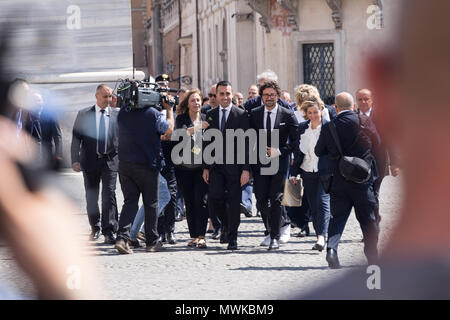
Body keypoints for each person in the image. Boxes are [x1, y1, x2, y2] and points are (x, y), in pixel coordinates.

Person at [315, 92, 380, 268]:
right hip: (362, 179)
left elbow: (318, 151)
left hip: (339, 181)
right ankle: (372, 256)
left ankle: (331, 250)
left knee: (338, 218)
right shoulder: (364, 122)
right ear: (353, 106)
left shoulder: (330, 126)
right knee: (368, 218)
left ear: (336, 108)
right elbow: (377, 143)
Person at [114, 84, 175, 254]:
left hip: (125, 164)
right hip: (148, 164)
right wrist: (169, 110)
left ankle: (122, 238)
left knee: (130, 202)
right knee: (151, 203)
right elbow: (168, 130)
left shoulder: (123, 112)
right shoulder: (153, 114)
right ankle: (152, 241)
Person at [249, 80, 299, 250]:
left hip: (280, 161)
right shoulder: (254, 114)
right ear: (261, 97)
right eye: (266, 95)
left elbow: (296, 141)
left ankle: (275, 237)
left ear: (278, 96)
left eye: (272, 95)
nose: (269, 98)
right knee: (261, 199)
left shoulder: (287, 114)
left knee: (276, 198)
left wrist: (280, 151)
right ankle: (271, 229)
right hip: (260, 162)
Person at [202, 80, 250, 250]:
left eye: (228, 93)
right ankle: (227, 225)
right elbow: (206, 142)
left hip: (235, 167)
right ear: (217, 96)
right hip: (215, 166)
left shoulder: (241, 114)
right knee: (215, 197)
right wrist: (206, 167)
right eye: (221, 94)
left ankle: (233, 237)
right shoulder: (210, 114)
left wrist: (246, 169)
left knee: (234, 201)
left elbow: (247, 144)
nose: (225, 97)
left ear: (232, 94)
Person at [71, 84, 119, 245]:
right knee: (91, 197)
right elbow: (76, 138)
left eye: (110, 96)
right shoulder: (84, 114)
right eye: (105, 96)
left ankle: (109, 230)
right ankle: (95, 227)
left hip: (110, 161)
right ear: (96, 96)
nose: (108, 99)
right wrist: (75, 160)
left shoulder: (116, 115)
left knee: (109, 195)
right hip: (90, 161)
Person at [290, 100, 330, 251]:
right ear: (306, 114)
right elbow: (297, 151)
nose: (313, 115)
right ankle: (319, 233)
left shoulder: (328, 126)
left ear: (321, 111)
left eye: (315, 112)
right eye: (310, 113)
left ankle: (322, 236)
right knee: (313, 206)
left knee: (322, 202)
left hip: (324, 171)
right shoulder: (302, 128)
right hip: (307, 170)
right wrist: (294, 173)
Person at [356, 88, 399, 227]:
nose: (363, 102)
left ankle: (372, 225)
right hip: (358, 162)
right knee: (363, 195)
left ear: (372, 100)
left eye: (366, 99)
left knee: (373, 193)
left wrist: (394, 163)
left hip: (378, 161)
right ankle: (372, 219)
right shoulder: (352, 117)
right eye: (360, 99)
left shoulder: (382, 117)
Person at [173, 88, 210, 248]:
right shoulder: (181, 119)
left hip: (202, 167)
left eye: (198, 100)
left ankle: (202, 235)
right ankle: (194, 235)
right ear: (187, 104)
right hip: (184, 168)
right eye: (193, 100)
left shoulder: (206, 118)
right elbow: (179, 135)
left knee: (201, 200)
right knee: (189, 201)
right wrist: (197, 128)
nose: (196, 103)